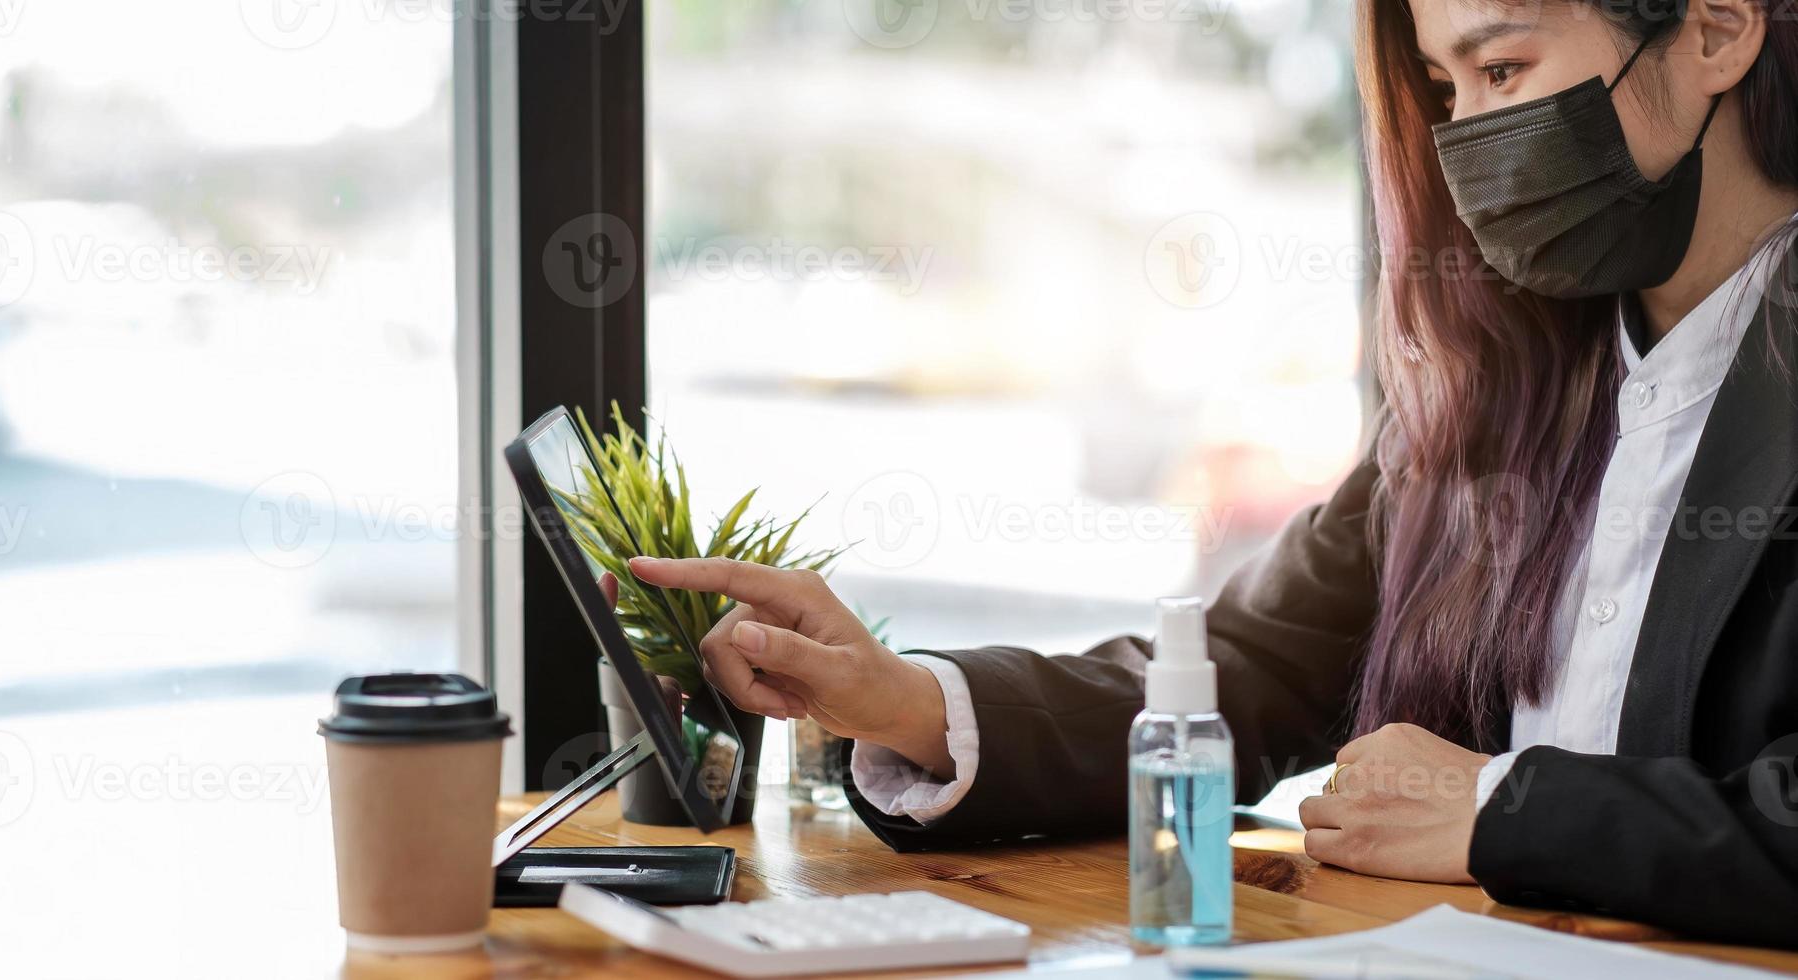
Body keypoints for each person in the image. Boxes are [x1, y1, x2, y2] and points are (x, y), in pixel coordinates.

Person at [627, 0, 1798, 949]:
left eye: (1501, 69)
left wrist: (1504, 807)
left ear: (1714, 29)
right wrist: (907, 702)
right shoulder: (1503, 393)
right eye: (1444, 91)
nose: (1465, 141)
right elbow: (1243, 670)